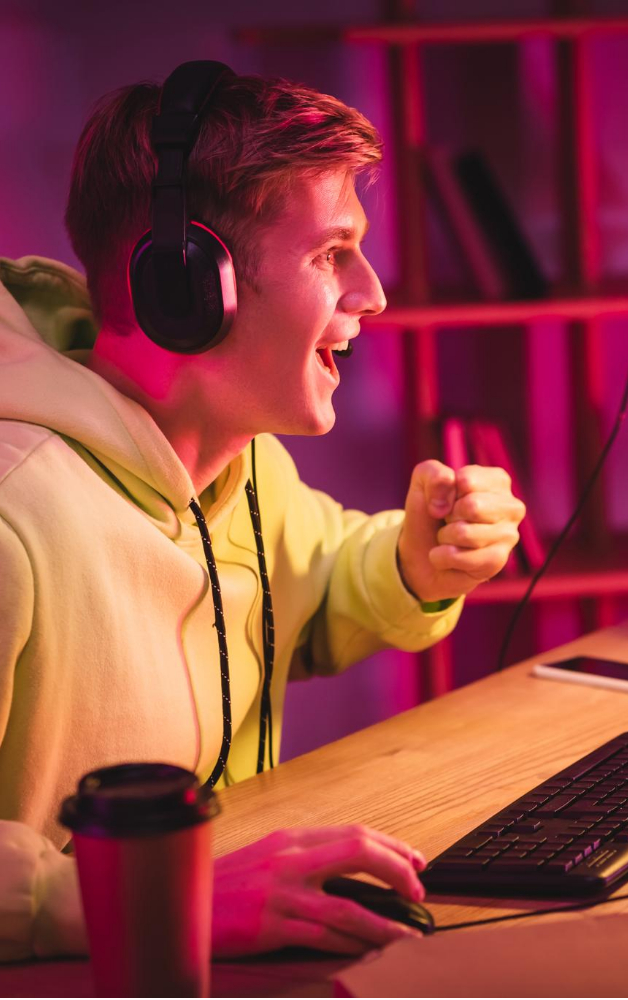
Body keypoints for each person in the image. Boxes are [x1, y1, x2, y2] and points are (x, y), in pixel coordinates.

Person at [0, 68, 525, 960]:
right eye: (332, 253)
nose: (373, 292)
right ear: (188, 284)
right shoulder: (15, 515)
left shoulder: (242, 467)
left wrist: (412, 561)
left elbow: (315, 581)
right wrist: (155, 900)